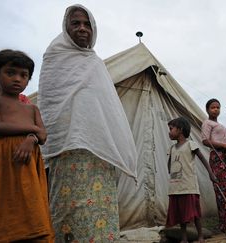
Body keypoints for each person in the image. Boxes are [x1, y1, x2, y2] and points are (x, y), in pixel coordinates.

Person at [38, 4, 138, 241]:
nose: (82, 28)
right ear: (66, 27)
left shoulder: (96, 64)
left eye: (87, 24)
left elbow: (108, 110)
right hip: (67, 151)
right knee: (68, 212)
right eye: (76, 23)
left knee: (100, 211)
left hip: (100, 152)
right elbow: (50, 107)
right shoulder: (54, 57)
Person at [0, 49, 53, 242]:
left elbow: (42, 135)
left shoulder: (31, 107)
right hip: (1, 159)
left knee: (29, 201)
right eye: (10, 73)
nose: (17, 79)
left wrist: (31, 139)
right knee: (0, 199)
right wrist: (31, 129)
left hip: (28, 161)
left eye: (24, 75)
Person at [166, 117, 217, 243]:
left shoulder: (190, 144)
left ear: (180, 130)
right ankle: (184, 237)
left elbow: (203, 159)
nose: (169, 132)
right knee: (181, 214)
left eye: (171, 129)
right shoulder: (172, 149)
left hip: (189, 185)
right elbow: (169, 166)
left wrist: (211, 173)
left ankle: (200, 235)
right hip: (175, 186)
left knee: (194, 213)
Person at [201, 98, 226, 231]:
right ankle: (225, 223)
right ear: (207, 109)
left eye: (218, 107)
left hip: (225, 156)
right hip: (217, 156)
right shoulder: (207, 123)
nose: (216, 110)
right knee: (222, 189)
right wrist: (223, 145)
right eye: (213, 107)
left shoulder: (219, 124)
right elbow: (205, 141)